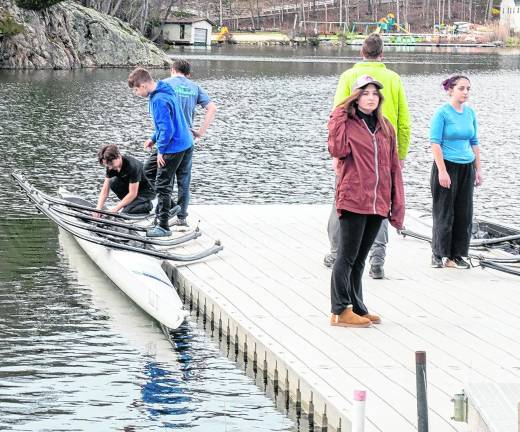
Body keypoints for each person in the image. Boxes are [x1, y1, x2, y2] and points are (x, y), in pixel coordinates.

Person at [324, 32, 411, 280]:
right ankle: (377, 259)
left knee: (342, 204)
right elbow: (404, 122)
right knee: (380, 206)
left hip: (354, 155)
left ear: (362, 52)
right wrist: (400, 155)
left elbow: (337, 114)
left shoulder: (349, 76)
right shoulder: (393, 79)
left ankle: (336, 252)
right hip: (386, 153)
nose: (371, 96)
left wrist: (336, 154)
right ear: (382, 54)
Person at [328, 75, 405, 328]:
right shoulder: (346, 124)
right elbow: (336, 150)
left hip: (377, 201)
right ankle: (340, 310)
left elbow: (394, 166)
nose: (371, 97)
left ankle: (358, 306)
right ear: (355, 97)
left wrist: (397, 205)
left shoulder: (385, 127)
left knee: (361, 258)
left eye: (374, 93)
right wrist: (340, 112)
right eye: (365, 93)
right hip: (353, 198)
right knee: (346, 256)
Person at [127, 67, 193, 237]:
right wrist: (153, 138)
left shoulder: (159, 100)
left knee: (162, 183)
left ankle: (163, 226)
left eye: (135, 90)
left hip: (174, 145)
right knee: (148, 169)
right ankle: (170, 207)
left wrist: (161, 151)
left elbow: (167, 129)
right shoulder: (164, 89)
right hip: (184, 142)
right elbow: (166, 123)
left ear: (143, 86)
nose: (136, 93)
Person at [430, 75, 482, 269]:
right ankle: (438, 254)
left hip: (466, 166)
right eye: (462, 88)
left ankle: (457, 255)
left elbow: (474, 142)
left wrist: (478, 169)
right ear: (451, 90)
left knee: (464, 213)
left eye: (468, 88)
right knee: (444, 212)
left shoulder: (470, 113)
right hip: (446, 166)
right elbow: (435, 143)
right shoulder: (442, 113)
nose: (466, 92)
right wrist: (442, 171)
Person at [164, 59, 217, 226]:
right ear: (188, 74)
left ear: (172, 70)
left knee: (165, 179)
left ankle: (165, 215)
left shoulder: (164, 84)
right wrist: (200, 132)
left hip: (171, 139)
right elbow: (212, 108)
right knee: (184, 179)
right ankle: (181, 218)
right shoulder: (194, 87)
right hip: (188, 139)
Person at [95, 144, 155, 215]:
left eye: (111, 164)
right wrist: (98, 208)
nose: (110, 167)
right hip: (131, 187)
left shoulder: (132, 166)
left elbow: (133, 193)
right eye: (107, 165)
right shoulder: (110, 166)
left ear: (118, 156)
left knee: (126, 212)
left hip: (146, 191)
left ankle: (146, 205)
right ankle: (130, 204)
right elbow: (105, 190)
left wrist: (116, 208)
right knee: (112, 182)